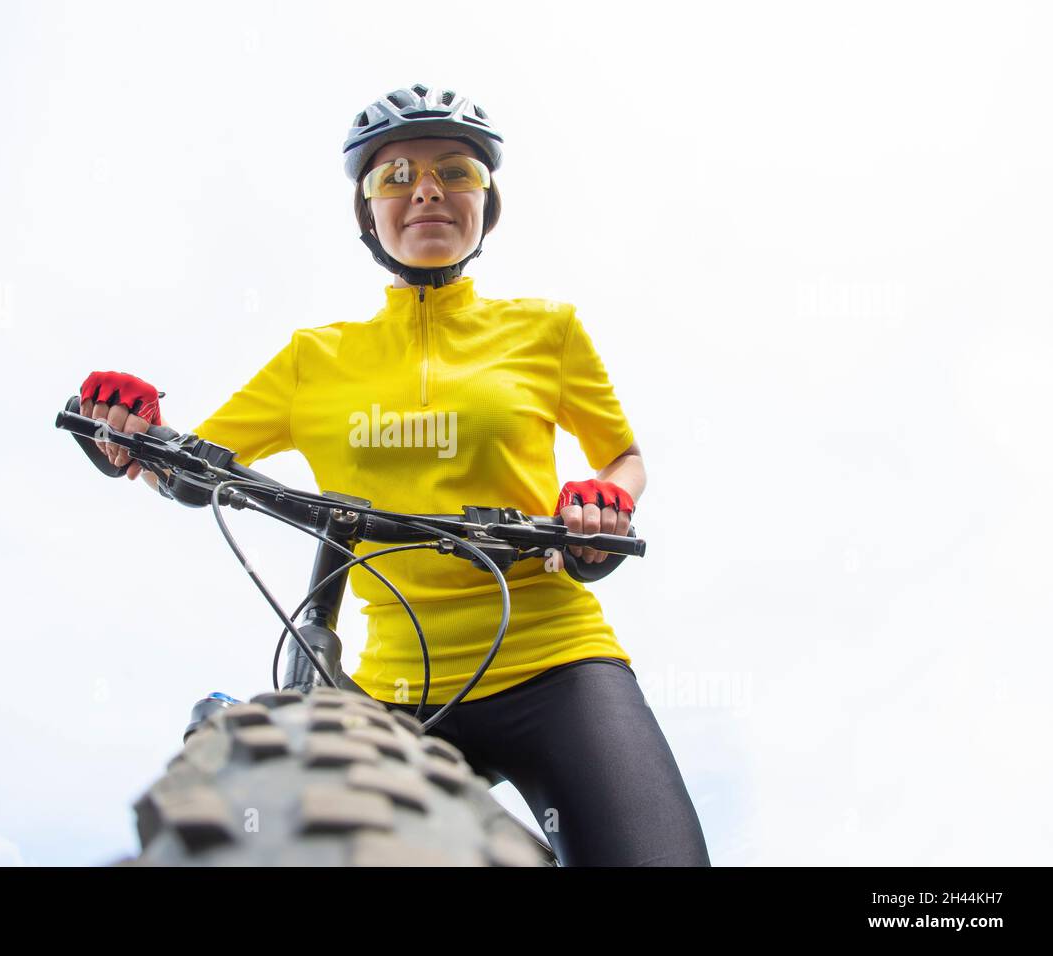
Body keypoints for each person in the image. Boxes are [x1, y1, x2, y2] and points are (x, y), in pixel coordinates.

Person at [78, 84, 710, 867]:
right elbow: (194, 469)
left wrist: (607, 499)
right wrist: (132, 433)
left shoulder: (547, 330)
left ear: (487, 201)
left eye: (456, 171)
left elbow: (623, 458)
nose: (427, 190)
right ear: (367, 214)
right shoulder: (315, 358)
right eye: (395, 176)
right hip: (393, 689)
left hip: (556, 661)